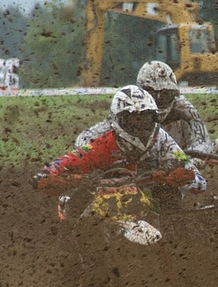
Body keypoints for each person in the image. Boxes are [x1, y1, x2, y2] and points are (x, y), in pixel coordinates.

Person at [33, 85, 207, 211]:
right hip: (105, 203)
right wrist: (47, 174)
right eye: (133, 120)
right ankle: (71, 252)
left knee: (170, 193)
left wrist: (183, 178)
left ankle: (175, 242)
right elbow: (66, 161)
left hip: (149, 205)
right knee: (75, 203)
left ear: (154, 118)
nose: (139, 127)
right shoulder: (103, 143)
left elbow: (200, 183)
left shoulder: (162, 140)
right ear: (118, 121)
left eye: (145, 119)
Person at [76, 61, 213, 156]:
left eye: (166, 94)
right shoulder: (129, 107)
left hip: (173, 158)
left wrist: (192, 160)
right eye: (154, 94)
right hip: (134, 161)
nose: (160, 100)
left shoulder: (183, 107)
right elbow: (86, 138)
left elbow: (203, 141)